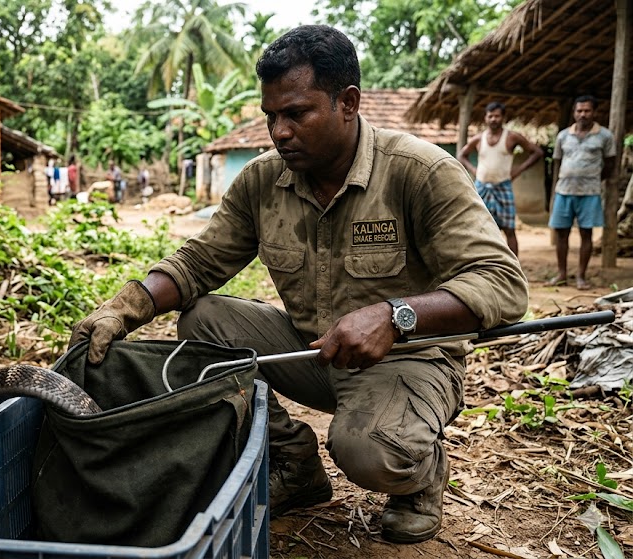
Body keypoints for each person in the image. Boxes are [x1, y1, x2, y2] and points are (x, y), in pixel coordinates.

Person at [68, 25, 527, 545]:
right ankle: (294, 460)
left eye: (296, 114)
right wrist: (127, 306)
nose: (278, 132)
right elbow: (199, 261)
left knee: (367, 452)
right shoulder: (263, 180)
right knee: (202, 320)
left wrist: (395, 314)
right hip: (314, 351)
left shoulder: (420, 172)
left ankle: (419, 478)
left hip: (410, 358)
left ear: (347, 102)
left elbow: (503, 283)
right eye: (271, 117)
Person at [547, 95, 617, 290]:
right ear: (574, 112)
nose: (583, 114)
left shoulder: (604, 136)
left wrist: (593, 178)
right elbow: (558, 162)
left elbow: (610, 163)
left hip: (590, 192)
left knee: (586, 234)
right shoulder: (563, 136)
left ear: (594, 112)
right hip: (564, 190)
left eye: (587, 111)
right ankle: (561, 274)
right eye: (579, 111)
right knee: (562, 233)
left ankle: (581, 276)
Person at [457, 102, 544, 256]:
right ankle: (484, 264)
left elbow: (536, 152)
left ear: (503, 118)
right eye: (490, 116)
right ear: (485, 118)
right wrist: (474, 170)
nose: (493, 119)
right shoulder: (479, 139)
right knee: (480, 228)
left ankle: (513, 269)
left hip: (503, 186)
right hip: (482, 187)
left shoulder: (511, 137)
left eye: (497, 116)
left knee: (509, 229)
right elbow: (462, 156)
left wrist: (518, 170)